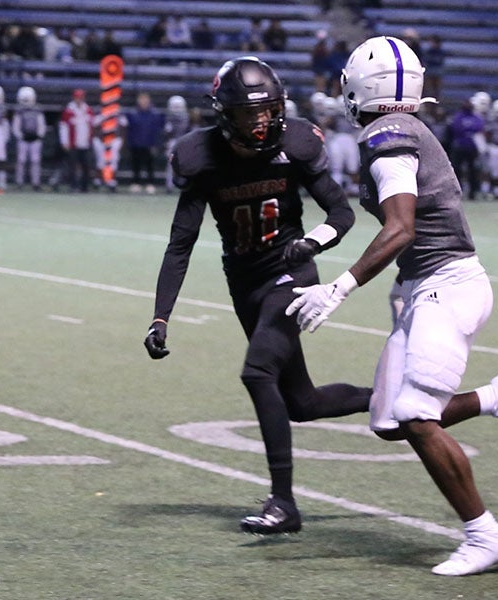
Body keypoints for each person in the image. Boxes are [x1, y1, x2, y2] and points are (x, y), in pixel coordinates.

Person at [287, 36, 498, 577]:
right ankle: (495, 396)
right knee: (389, 419)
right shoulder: (400, 129)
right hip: (422, 286)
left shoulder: (387, 133)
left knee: (415, 414)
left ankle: (485, 535)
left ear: (362, 87)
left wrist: (339, 288)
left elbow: (401, 227)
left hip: (446, 284)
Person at [143, 57, 373, 535]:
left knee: (257, 371)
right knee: (302, 403)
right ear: (226, 114)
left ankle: (284, 503)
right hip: (244, 282)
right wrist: (160, 316)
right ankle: (395, 396)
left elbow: (341, 213)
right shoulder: (201, 157)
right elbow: (180, 242)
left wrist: (313, 242)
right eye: (250, 113)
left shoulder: (294, 145)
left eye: (268, 109)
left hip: (291, 273)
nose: (262, 120)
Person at [125, 92, 163, 194]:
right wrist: (129, 143)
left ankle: (150, 184)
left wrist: (155, 144)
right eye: (141, 99)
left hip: (149, 143)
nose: (143, 102)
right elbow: (130, 130)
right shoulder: (133, 114)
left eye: (145, 99)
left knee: (149, 165)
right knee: (135, 164)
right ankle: (135, 183)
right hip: (135, 143)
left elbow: (157, 131)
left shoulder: (154, 114)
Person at [59, 89, 95, 192]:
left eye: (81, 97)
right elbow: (63, 127)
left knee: (86, 166)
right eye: (77, 97)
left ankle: (85, 186)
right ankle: (73, 186)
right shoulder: (68, 111)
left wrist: (91, 139)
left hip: (85, 143)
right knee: (73, 166)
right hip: (72, 143)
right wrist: (64, 141)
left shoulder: (88, 110)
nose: (79, 99)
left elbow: (91, 125)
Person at [12, 86, 46, 190]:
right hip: (23, 139)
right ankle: (19, 182)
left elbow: (41, 125)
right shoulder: (19, 111)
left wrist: (38, 135)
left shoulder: (37, 110)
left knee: (35, 161)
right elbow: (15, 126)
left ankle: (36, 183)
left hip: (35, 139)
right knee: (21, 161)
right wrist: (21, 136)